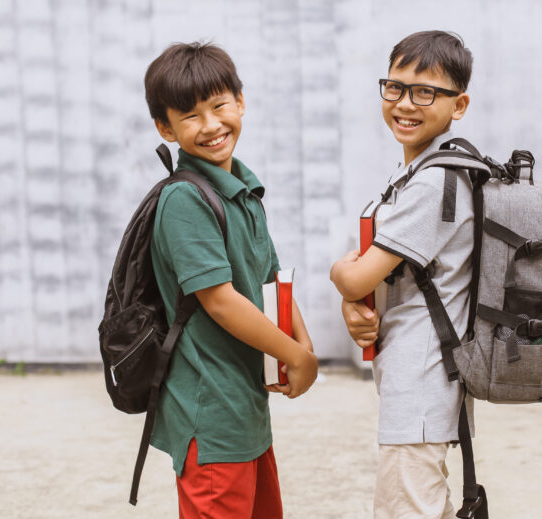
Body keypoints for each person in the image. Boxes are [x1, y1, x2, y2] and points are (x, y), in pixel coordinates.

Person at [144, 42, 318, 519]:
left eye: (219, 106)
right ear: (166, 127)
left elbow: (271, 279)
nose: (211, 125)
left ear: (240, 101)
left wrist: (303, 345)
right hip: (209, 409)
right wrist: (294, 354)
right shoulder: (184, 200)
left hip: (244, 406)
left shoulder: (243, 191)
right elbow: (219, 300)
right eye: (190, 115)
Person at [330, 30, 474, 518]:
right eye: (395, 87)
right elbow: (381, 278)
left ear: (459, 104)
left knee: (406, 509)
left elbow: (357, 276)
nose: (406, 103)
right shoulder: (414, 173)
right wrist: (356, 306)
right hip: (415, 379)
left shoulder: (436, 183)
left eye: (425, 92)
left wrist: (342, 277)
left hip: (422, 379)